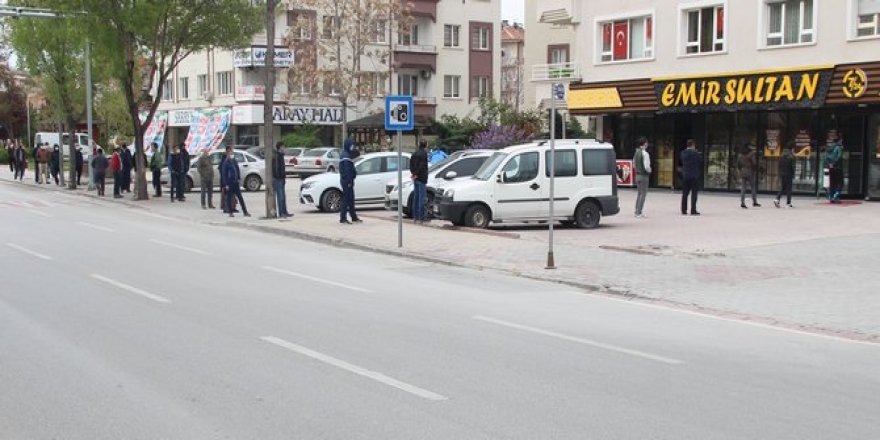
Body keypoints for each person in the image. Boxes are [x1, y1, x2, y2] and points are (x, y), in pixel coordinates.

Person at [221, 146, 250, 217]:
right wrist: (226, 184)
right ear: (227, 152)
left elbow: (237, 169)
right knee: (229, 197)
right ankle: (230, 212)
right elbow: (224, 174)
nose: (232, 153)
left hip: (235, 182)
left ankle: (245, 212)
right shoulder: (225, 163)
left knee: (240, 197)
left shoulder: (234, 161)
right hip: (229, 182)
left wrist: (238, 178)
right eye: (231, 152)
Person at [339, 138, 361, 224]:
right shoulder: (346, 157)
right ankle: (343, 218)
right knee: (347, 199)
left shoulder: (347, 154)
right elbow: (347, 171)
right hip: (347, 182)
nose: (353, 147)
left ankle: (354, 217)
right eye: (352, 145)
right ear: (348, 145)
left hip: (348, 181)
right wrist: (349, 181)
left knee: (351, 199)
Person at [679, 139, 703, 216]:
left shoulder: (683, 153)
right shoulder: (695, 153)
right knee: (694, 193)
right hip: (694, 175)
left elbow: (681, 161)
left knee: (685, 193)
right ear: (693, 145)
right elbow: (700, 161)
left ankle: (683, 209)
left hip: (685, 175)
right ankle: (693, 210)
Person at [410, 140, 429, 223]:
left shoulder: (414, 153)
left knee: (416, 198)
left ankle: (415, 217)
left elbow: (410, 164)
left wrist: (413, 174)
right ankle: (422, 217)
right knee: (421, 199)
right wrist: (417, 173)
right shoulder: (424, 154)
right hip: (421, 178)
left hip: (416, 178)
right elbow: (422, 166)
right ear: (425, 145)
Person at [737, 142, 760, 208]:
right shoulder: (751, 153)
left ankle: (742, 202)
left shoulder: (740, 155)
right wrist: (755, 169)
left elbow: (738, 164)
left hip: (743, 171)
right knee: (752, 187)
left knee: (743, 187)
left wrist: (740, 169)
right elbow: (754, 163)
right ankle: (754, 201)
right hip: (750, 171)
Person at [633, 136, 651, 218]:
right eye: (646, 143)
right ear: (644, 144)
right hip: (643, 176)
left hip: (637, 175)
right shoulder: (645, 154)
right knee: (643, 194)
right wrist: (650, 170)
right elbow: (646, 166)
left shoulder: (636, 153)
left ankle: (636, 209)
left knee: (639, 193)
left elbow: (634, 164)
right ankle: (639, 212)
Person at [272, 142, 291, 218]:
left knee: (283, 196)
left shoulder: (281, 156)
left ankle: (285, 211)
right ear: (280, 147)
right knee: (280, 196)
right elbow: (276, 168)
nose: (284, 148)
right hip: (278, 179)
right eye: (283, 147)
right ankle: (281, 213)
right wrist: (279, 177)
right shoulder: (277, 156)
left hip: (281, 178)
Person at [774, 143, 796, 208]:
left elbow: (779, 165)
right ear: (792, 148)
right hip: (789, 174)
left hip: (782, 173)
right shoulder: (791, 156)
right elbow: (793, 167)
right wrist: (793, 173)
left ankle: (777, 199)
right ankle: (788, 203)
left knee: (783, 187)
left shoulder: (782, 155)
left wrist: (780, 172)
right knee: (789, 189)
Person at [826, 134, 844, 203]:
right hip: (838, 168)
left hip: (831, 167)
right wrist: (834, 163)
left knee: (832, 183)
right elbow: (839, 157)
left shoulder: (830, 148)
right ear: (839, 141)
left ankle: (831, 197)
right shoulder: (839, 148)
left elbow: (826, 157)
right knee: (840, 183)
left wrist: (830, 164)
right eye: (841, 140)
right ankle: (836, 196)